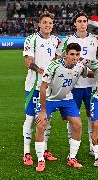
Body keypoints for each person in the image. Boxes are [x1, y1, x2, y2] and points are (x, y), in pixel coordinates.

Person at [34, 43, 86, 172]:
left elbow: (89, 74)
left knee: (78, 124)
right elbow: (43, 88)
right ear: (66, 54)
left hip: (66, 98)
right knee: (41, 124)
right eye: (72, 54)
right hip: (49, 99)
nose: (75, 57)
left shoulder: (80, 67)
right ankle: (40, 160)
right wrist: (43, 111)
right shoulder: (54, 66)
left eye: (77, 54)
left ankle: (72, 158)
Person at [56, 12, 98, 155]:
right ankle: (72, 147)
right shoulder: (67, 40)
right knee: (72, 116)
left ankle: (92, 147)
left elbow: (97, 56)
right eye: (79, 21)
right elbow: (58, 58)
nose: (82, 23)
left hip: (91, 84)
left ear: (87, 23)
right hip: (73, 85)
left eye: (84, 21)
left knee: (91, 115)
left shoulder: (95, 39)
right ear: (74, 23)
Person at [22, 11, 59, 166]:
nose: (47, 25)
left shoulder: (56, 40)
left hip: (49, 87)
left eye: (50, 23)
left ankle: (44, 149)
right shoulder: (31, 40)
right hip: (34, 87)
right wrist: (42, 71)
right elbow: (28, 62)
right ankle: (27, 153)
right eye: (45, 22)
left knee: (47, 119)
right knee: (30, 118)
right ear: (39, 24)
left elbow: (57, 59)